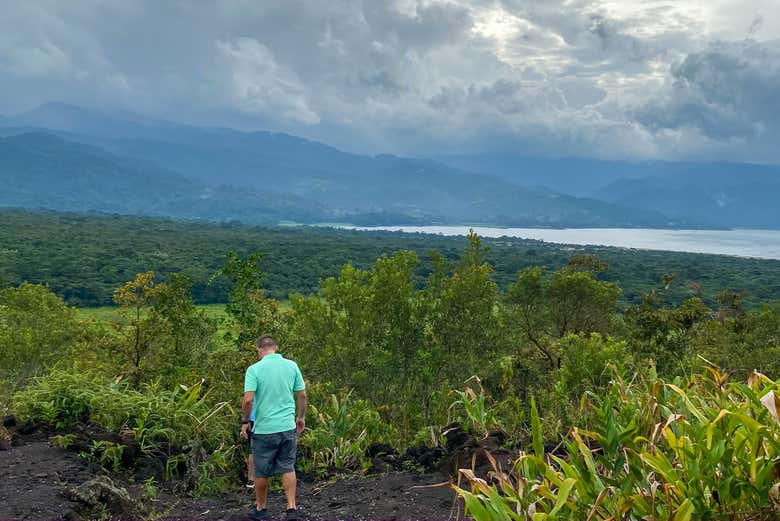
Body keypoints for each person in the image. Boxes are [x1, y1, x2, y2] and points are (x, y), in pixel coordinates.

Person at [241, 335, 307, 521]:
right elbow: (301, 395)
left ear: (259, 350)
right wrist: (300, 417)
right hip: (287, 426)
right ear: (275, 348)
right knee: (287, 466)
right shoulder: (291, 366)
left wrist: (245, 421)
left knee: (261, 470)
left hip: (264, 428)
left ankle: (261, 509)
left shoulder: (254, 369)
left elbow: (248, 400)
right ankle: (291, 508)